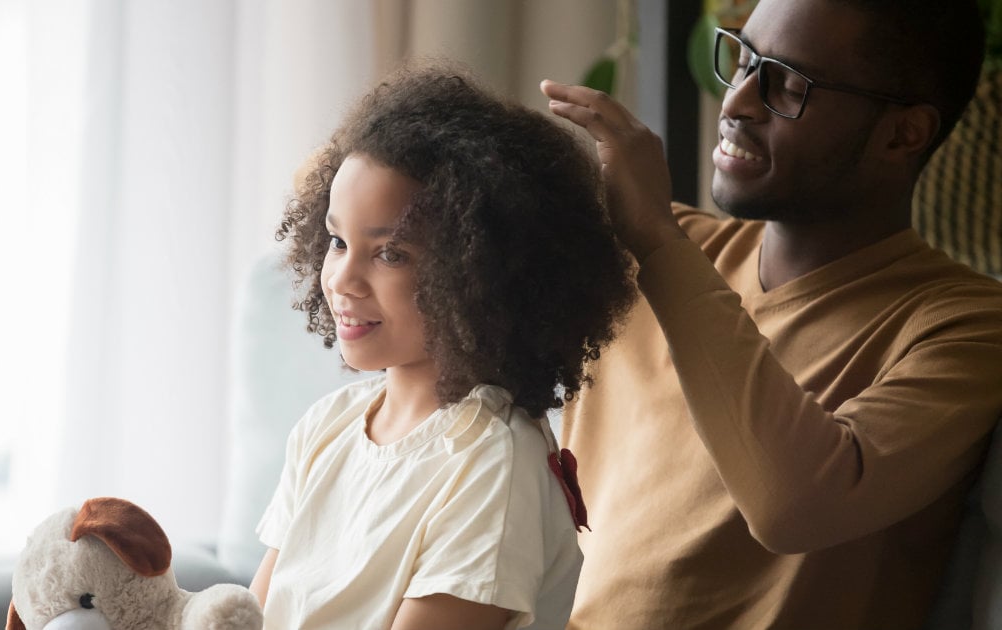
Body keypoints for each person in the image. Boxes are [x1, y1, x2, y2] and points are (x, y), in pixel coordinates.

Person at [539, 0, 1002, 627]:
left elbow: (793, 507)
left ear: (904, 134)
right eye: (744, 59)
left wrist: (657, 241)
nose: (736, 102)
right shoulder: (648, 247)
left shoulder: (965, 326)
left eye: (789, 85)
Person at [249, 63, 635, 630]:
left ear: (477, 276)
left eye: (390, 254)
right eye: (336, 241)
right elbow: (246, 617)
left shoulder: (492, 464)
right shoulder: (326, 428)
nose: (341, 279)